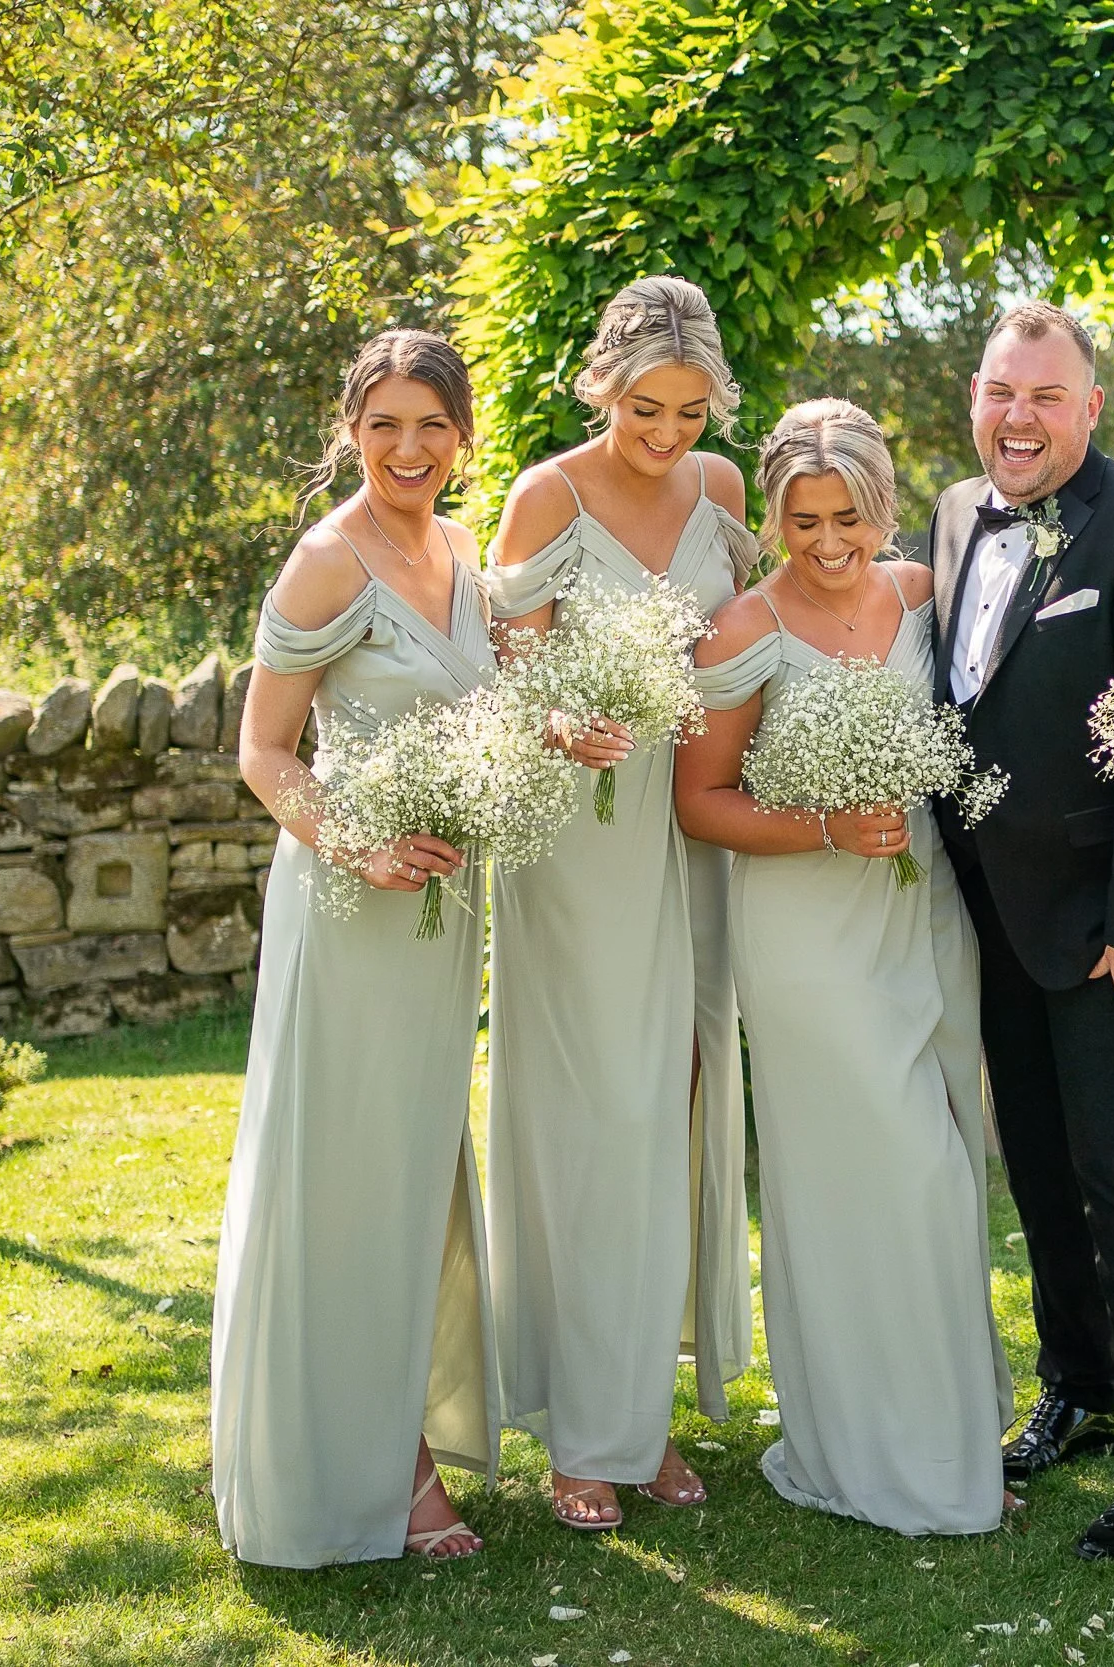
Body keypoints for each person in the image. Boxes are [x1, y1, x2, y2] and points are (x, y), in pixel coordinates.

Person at [676, 399, 1014, 1536]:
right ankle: (871, 1446)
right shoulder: (741, 629)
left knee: (947, 1164)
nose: (829, 542)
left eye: (850, 517)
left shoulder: (921, 596)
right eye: (804, 519)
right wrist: (823, 825)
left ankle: (947, 1427)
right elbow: (699, 800)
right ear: (773, 515)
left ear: (882, 506)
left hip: (925, 919)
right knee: (875, 1173)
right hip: (808, 934)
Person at [927, 301, 1114, 1560]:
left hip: (1105, 928)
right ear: (975, 398)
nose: (1018, 417)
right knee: (1035, 1163)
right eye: (1000, 391)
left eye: (1046, 396)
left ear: (1091, 408)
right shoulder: (947, 517)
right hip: (984, 913)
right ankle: (1077, 1385)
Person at [211, 328, 498, 1566]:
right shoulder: (327, 562)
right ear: (350, 430)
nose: (407, 448)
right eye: (382, 422)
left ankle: (404, 1438)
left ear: (462, 436)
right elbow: (263, 752)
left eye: (430, 422)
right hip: (347, 910)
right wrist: (357, 845)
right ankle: (364, 1469)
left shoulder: (463, 554)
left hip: (440, 919)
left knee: (413, 1171)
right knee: (343, 1176)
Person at [482, 275, 753, 1531]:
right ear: (604, 386)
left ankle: (639, 1416)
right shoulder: (548, 492)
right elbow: (500, 656)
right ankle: (578, 1432)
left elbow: (744, 644)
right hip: (576, 829)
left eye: (690, 412)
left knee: (674, 1106)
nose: (667, 434)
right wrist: (556, 716)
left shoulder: (725, 493)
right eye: (646, 407)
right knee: (593, 1110)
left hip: (692, 824)